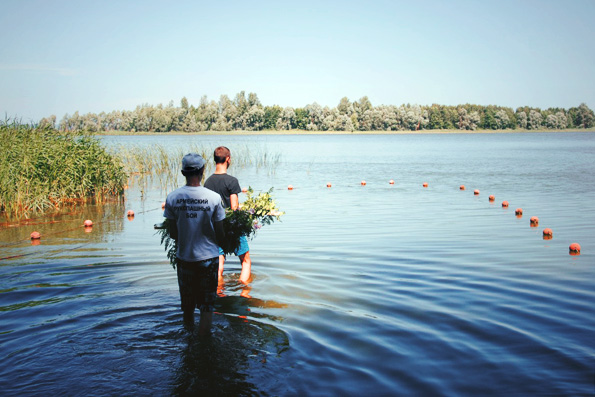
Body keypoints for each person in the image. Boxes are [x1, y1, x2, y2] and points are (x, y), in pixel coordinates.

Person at [163, 153, 226, 334]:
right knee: (206, 306)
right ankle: (204, 347)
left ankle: (189, 342)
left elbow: (173, 233)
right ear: (202, 171)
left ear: (183, 172)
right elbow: (220, 233)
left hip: (184, 258)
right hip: (208, 258)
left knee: (188, 306)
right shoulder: (213, 198)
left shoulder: (173, 197)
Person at [204, 146, 252, 284]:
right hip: (232, 227)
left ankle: (219, 292)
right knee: (246, 261)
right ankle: (244, 293)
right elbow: (234, 208)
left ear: (215, 160)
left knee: (219, 264)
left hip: (214, 227)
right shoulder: (231, 181)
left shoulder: (207, 182)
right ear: (228, 159)